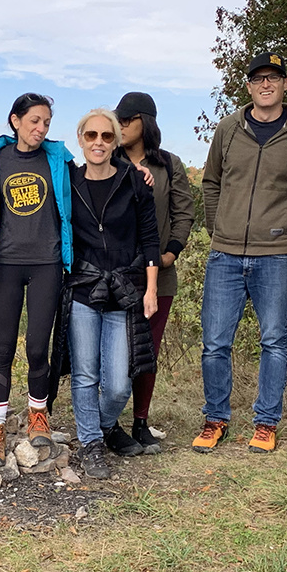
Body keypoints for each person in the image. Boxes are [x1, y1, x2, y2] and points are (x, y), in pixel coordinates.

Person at [196, 52, 287, 454]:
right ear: (249, 85)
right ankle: (215, 419)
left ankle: (266, 422)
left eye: (274, 77)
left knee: (274, 341)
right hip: (225, 254)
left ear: (286, 83)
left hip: (277, 254)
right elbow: (211, 182)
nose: (266, 84)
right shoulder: (228, 129)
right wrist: (219, 228)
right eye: (258, 79)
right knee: (215, 342)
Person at [58, 108, 159, 479]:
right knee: (85, 375)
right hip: (84, 288)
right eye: (91, 136)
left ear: (116, 141)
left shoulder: (135, 182)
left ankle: (99, 425)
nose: (98, 142)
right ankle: (91, 444)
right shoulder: (67, 181)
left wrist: (150, 289)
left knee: (118, 384)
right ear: (81, 139)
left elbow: (150, 238)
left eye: (106, 136)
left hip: (123, 289)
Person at [0, 93, 73, 467]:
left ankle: (38, 414)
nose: (41, 128)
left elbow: (93, 175)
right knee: (2, 348)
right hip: (5, 263)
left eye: (46, 122)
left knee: (37, 347)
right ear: (15, 120)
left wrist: (140, 168)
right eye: (34, 121)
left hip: (47, 263)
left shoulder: (58, 159)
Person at [114, 91, 193, 453]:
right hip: (115, 276)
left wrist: (170, 254)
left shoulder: (170, 165)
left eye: (126, 120)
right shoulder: (107, 160)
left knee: (148, 351)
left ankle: (141, 422)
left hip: (158, 278)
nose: (119, 126)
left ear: (144, 122)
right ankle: (109, 422)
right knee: (113, 352)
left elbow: (183, 213)